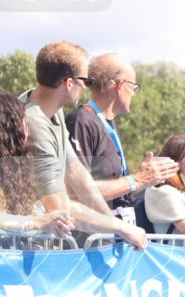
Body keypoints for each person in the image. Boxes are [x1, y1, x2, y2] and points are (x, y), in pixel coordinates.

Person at [0, 92, 145, 247]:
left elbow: (65, 209)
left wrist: (119, 227)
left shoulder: (15, 172)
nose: (29, 129)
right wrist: (38, 223)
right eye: (24, 121)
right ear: (11, 127)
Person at [66, 52, 178, 222]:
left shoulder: (107, 123)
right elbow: (78, 191)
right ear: (120, 85)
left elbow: (113, 188)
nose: (133, 94)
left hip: (115, 233)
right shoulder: (81, 121)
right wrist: (136, 179)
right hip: (91, 238)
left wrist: (143, 180)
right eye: (133, 88)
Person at [18, 41, 116, 219]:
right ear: (69, 83)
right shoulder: (33, 122)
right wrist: (120, 228)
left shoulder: (53, 109)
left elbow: (75, 171)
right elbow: (57, 206)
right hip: (23, 238)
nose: (86, 88)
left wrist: (111, 220)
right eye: (87, 81)